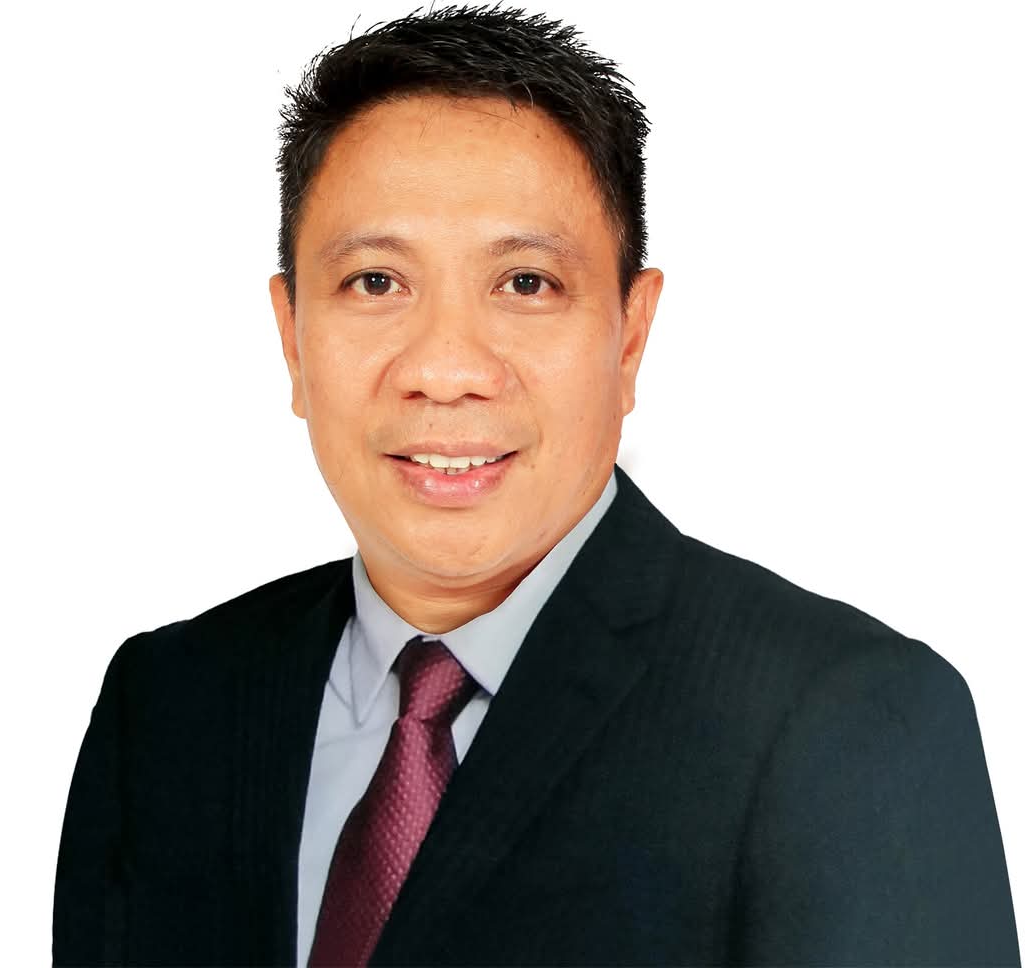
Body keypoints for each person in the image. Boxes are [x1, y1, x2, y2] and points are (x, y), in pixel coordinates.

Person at [52, 5, 1020, 966]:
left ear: (630, 337)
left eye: (525, 283)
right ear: (292, 337)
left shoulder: (850, 723)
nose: (445, 369)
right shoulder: (166, 707)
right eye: (376, 281)